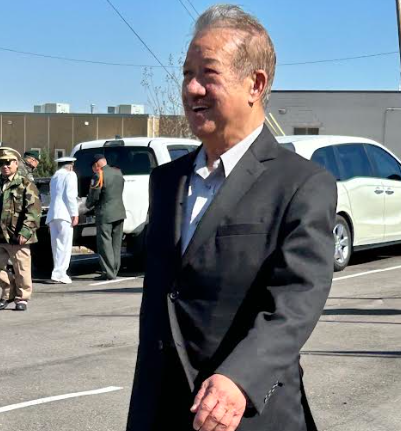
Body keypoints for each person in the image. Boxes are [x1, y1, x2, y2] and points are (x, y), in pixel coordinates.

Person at [127, 4, 337, 431]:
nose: (192, 88)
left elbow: (295, 301)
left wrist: (239, 378)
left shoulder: (301, 184)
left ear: (255, 84)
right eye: (187, 74)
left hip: (245, 413)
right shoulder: (166, 181)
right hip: (160, 410)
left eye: (208, 74)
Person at [0, 147, 41, 311]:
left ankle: (22, 298)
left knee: (22, 268)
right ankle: (8, 292)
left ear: (16, 163)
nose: (4, 166)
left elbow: (34, 211)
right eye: (1, 163)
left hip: (17, 235)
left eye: (8, 162)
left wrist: (26, 231)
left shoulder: (25, 184)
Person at [85, 154, 125, 280]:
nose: (93, 169)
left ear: (97, 165)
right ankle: (115, 269)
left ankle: (108, 272)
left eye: (93, 167)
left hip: (105, 214)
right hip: (119, 212)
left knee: (105, 243)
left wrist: (87, 204)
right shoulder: (118, 172)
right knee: (116, 243)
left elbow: (94, 196)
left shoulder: (99, 175)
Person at [45, 156, 79, 284]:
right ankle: (61, 273)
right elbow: (70, 196)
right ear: (70, 166)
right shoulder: (70, 175)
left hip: (53, 214)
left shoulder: (55, 176)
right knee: (65, 246)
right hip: (65, 214)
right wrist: (74, 213)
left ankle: (56, 273)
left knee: (57, 246)